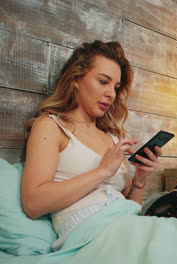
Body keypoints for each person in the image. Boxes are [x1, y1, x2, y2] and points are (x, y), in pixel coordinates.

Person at [21, 40, 161, 250]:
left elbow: (130, 205)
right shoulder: (51, 126)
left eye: (115, 87)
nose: (111, 94)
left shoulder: (111, 138)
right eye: (103, 82)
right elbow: (33, 204)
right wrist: (102, 171)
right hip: (87, 230)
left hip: (125, 220)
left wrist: (139, 179)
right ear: (76, 78)